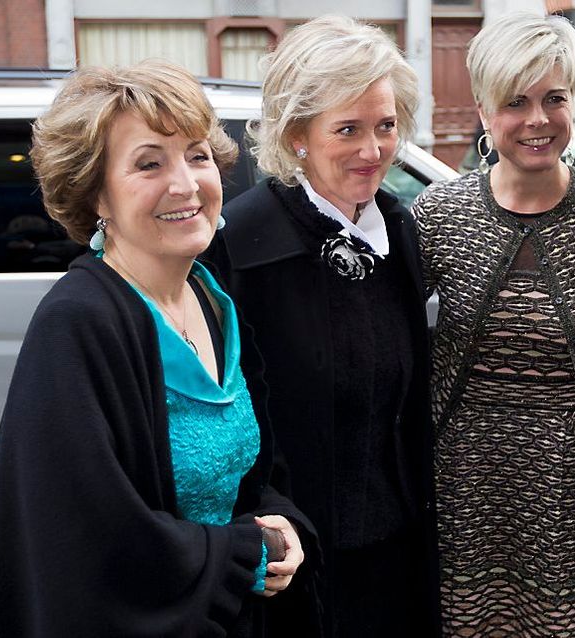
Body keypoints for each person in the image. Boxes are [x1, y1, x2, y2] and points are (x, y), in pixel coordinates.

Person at [0, 61, 312, 637]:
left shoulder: (209, 294)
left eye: (197, 155)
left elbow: (250, 473)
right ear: (95, 193)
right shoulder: (79, 322)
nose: (186, 183)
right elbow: (93, 545)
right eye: (149, 163)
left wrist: (283, 524)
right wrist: (244, 552)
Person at [411, 13, 575, 635]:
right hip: (468, 492)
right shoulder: (437, 214)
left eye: (554, 99)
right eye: (516, 102)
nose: (538, 120)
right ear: (484, 110)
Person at [206, 15, 438, 638]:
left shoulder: (400, 231)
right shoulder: (241, 247)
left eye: (385, 125)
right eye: (348, 129)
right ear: (297, 135)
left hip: (396, 554)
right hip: (294, 564)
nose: (373, 150)